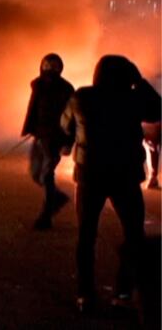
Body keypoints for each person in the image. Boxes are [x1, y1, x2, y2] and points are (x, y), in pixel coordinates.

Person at [60, 55, 161, 313]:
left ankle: (85, 294)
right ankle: (123, 291)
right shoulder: (132, 99)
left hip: (90, 174)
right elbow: (157, 110)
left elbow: (65, 124)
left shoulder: (81, 96)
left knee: (86, 235)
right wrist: (139, 81)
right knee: (134, 234)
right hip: (124, 175)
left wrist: (69, 139)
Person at [21, 53, 75, 230]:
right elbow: (34, 109)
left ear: (60, 68)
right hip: (39, 136)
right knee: (36, 173)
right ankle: (57, 198)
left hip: (55, 139)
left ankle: (46, 216)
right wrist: (31, 128)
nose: (50, 68)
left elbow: (73, 118)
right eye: (47, 65)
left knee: (46, 174)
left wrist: (68, 141)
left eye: (54, 65)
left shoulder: (66, 89)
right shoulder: (38, 85)